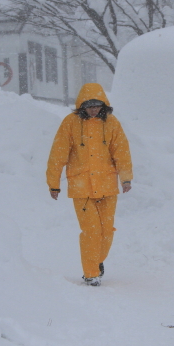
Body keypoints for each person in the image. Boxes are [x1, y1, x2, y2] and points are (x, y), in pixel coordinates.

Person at [47, 83, 133, 286]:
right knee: (92, 231)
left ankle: (96, 260)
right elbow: (58, 154)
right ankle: (91, 273)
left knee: (106, 231)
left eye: (97, 105)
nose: (93, 110)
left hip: (107, 186)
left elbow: (121, 152)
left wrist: (126, 178)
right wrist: (53, 183)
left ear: (103, 105)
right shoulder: (70, 123)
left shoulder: (111, 123)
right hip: (81, 187)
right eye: (89, 106)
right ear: (81, 105)